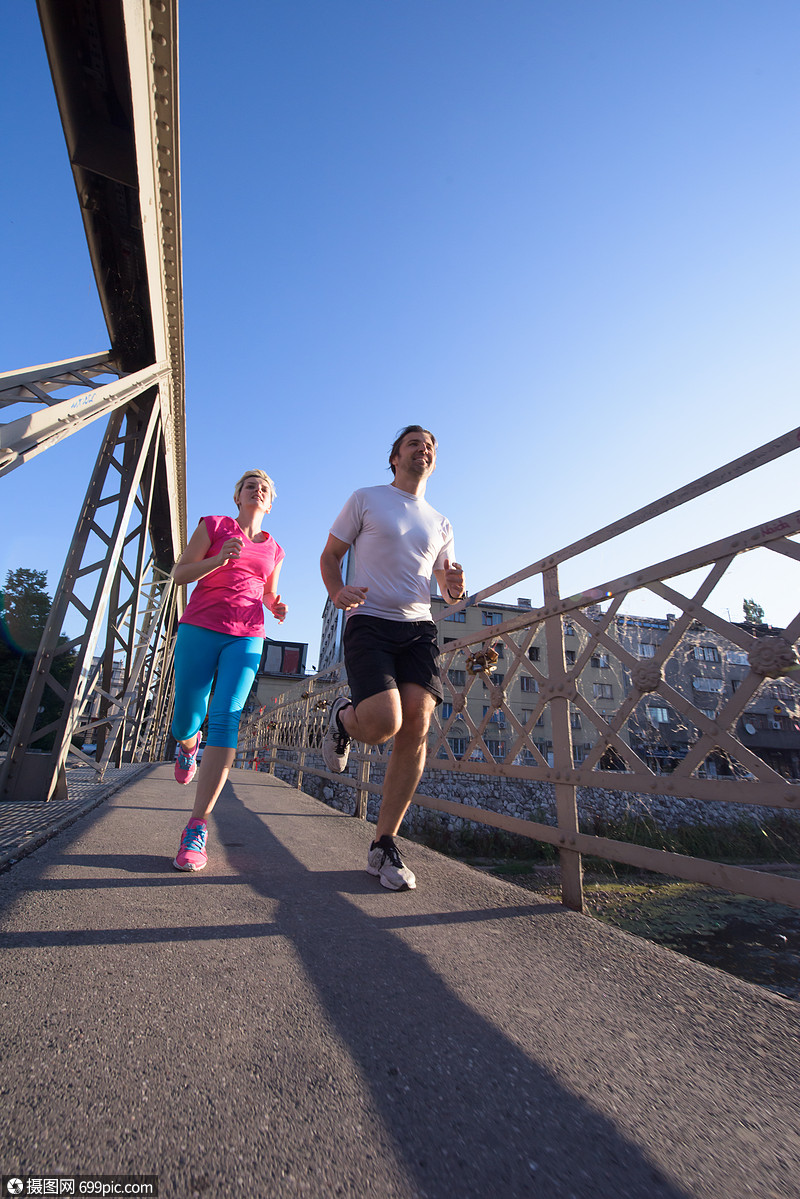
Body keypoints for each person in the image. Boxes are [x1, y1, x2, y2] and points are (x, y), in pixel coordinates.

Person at [319, 425, 465, 891]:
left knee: (416, 727)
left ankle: (384, 844)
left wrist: (454, 587)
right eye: (414, 443)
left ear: (433, 462)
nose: (423, 449)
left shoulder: (441, 522)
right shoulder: (366, 498)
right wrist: (337, 590)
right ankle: (342, 718)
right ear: (395, 457)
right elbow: (331, 555)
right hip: (370, 621)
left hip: (419, 629)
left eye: (430, 446)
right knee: (383, 723)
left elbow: (446, 585)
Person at [170, 470, 287, 871]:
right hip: (200, 626)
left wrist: (276, 606)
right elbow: (179, 573)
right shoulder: (214, 525)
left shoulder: (274, 549)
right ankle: (188, 745)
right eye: (250, 485)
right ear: (238, 496)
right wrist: (219, 559)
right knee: (186, 714)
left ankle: (196, 828)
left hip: (247, 636)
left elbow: (269, 590)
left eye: (265, 488)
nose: (258, 490)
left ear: (270, 503)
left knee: (227, 719)